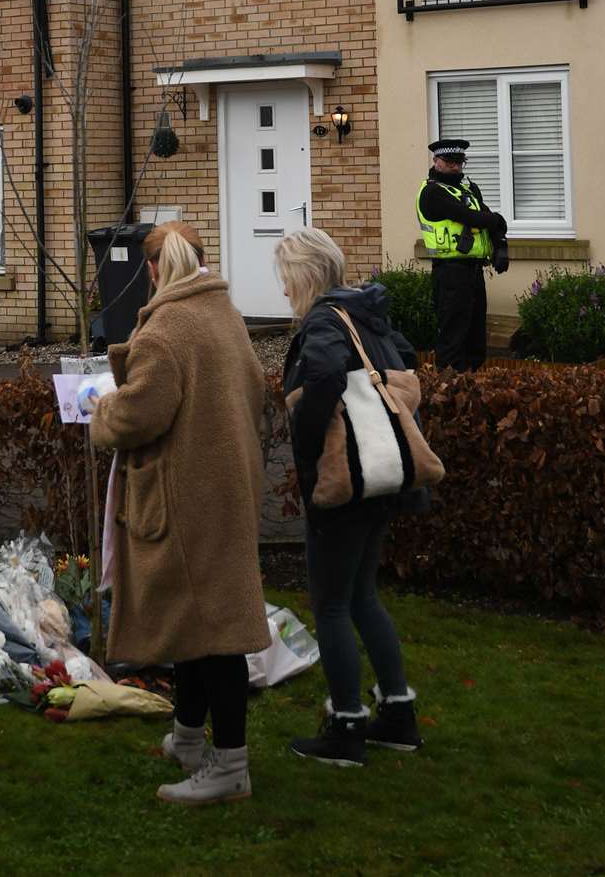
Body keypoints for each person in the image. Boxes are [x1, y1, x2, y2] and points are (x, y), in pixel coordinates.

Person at [87, 222, 267, 807]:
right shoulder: (225, 314)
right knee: (197, 618)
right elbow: (254, 387)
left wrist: (104, 410)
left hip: (187, 497)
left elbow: (142, 416)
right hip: (226, 488)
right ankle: (190, 738)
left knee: (217, 633)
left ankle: (231, 768)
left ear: (156, 269)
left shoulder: (167, 327)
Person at [277, 227, 421, 767]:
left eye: (287, 279)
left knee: (332, 605)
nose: (285, 292)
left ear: (304, 275)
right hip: (382, 476)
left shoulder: (322, 321)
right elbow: (405, 365)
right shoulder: (367, 314)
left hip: (343, 483)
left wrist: (313, 446)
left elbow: (325, 376)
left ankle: (345, 725)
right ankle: (398, 715)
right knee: (363, 596)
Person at [418, 138, 509, 370]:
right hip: (450, 273)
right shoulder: (432, 192)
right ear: (436, 161)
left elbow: (493, 222)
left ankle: (473, 388)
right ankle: (448, 392)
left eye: (459, 162)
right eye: (449, 162)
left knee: (476, 334)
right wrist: (495, 220)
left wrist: (500, 245)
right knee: (453, 335)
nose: (455, 167)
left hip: (474, 270)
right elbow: (470, 217)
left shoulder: (469, 188)